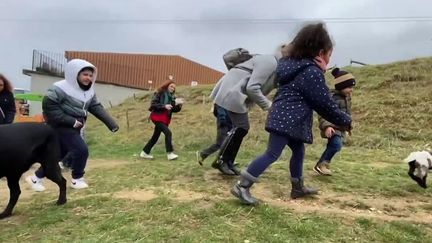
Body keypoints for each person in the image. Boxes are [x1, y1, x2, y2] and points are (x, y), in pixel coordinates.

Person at [231, 22, 352, 205]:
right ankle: (242, 186)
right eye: (329, 55)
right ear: (320, 53)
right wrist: (345, 119)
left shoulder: (292, 66)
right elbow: (324, 103)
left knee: (298, 150)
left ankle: (298, 187)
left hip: (286, 117)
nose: (329, 59)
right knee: (272, 153)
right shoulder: (310, 72)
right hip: (287, 119)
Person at [26, 59, 119, 191]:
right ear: (74, 74)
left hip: (76, 126)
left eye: (91, 75)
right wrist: (71, 121)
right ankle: (77, 179)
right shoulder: (59, 88)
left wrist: (111, 123)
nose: (88, 78)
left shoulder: (89, 91)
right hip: (60, 126)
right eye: (85, 74)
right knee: (81, 150)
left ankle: (35, 178)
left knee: (58, 155)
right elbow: (49, 107)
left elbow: (95, 106)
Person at [209, 45, 291, 176]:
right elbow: (252, 88)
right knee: (241, 127)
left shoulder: (275, 66)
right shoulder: (270, 61)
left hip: (234, 92)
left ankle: (227, 161)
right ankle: (221, 160)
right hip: (232, 91)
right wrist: (268, 106)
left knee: (240, 128)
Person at [314, 68, 356, 176]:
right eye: (349, 87)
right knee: (336, 145)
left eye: (352, 87)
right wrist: (327, 126)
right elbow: (323, 112)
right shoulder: (332, 98)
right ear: (341, 86)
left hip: (341, 128)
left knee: (336, 146)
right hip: (332, 127)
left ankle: (323, 164)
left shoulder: (347, 98)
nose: (351, 90)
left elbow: (346, 114)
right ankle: (322, 164)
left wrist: (349, 125)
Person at [140, 80, 183, 160]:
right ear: (167, 86)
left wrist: (179, 106)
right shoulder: (160, 93)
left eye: (174, 87)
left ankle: (144, 152)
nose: (173, 89)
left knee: (155, 136)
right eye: (171, 86)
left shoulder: (172, 97)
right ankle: (170, 153)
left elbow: (173, 109)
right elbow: (153, 104)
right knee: (168, 133)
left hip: (165, 119)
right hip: (157, 117)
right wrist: (164, 106)